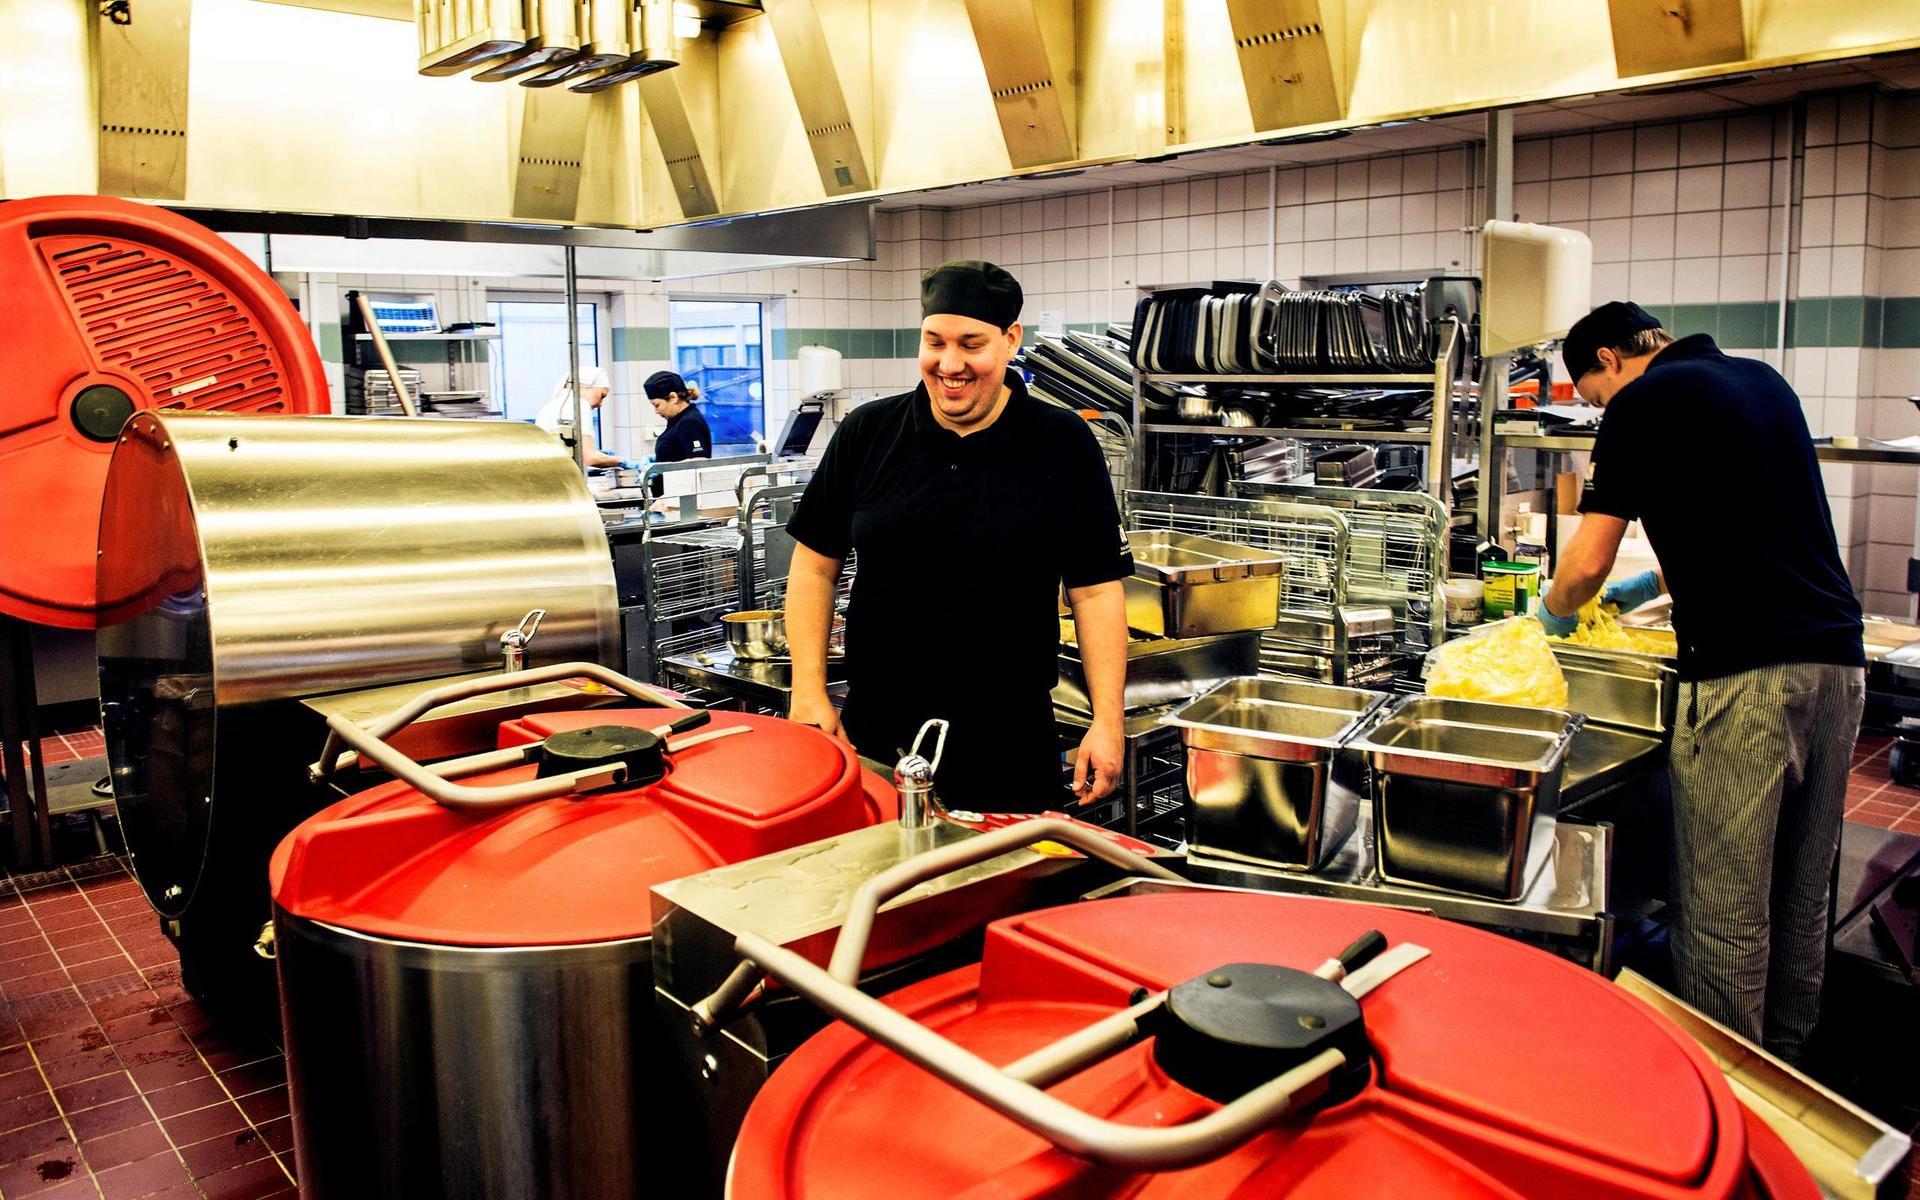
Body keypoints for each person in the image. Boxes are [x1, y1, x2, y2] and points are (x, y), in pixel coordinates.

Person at [1537, 300, 1865, 1062]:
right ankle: (1790, 1069)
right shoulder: (1761, 380)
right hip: (1837, 665)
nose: (1601, 409)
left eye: (1593, 396)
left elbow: (1583, 563)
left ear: (1609, 361)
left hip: (1746, 677)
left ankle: (1731, 1091)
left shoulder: (1642, 402)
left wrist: (1546, 620)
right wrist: (1650, 585)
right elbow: (1749, 528)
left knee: (1724, 908)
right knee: (1800, 889)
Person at [782, 260, 1132, 811]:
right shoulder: (867, 433)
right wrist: (809, 688)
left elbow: (1096, 591)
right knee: (877, 891)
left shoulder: (1062, 443)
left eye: (971, 344)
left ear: (1011, 340)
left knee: (1008, 893)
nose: (950, 364)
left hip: (1009, 743)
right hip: (876, 737)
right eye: (934, 342)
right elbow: (813, 567)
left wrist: (1107, 721)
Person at [534, 364, 625, 469]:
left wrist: (599, 455)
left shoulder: (551, 406)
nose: (601, 404)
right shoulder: (579, 405)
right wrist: (620, 461)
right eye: (602, 395)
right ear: (584, 387)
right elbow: (590, 458)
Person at [645, 370, 712, 497]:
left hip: (682, 500)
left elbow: (699, 461)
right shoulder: (676, 420)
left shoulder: (690, 422)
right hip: (669, 499)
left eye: (657, 405)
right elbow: (678, 454)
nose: (656, 411)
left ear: (673, 398)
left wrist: (659, 469)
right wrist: (657, 462)